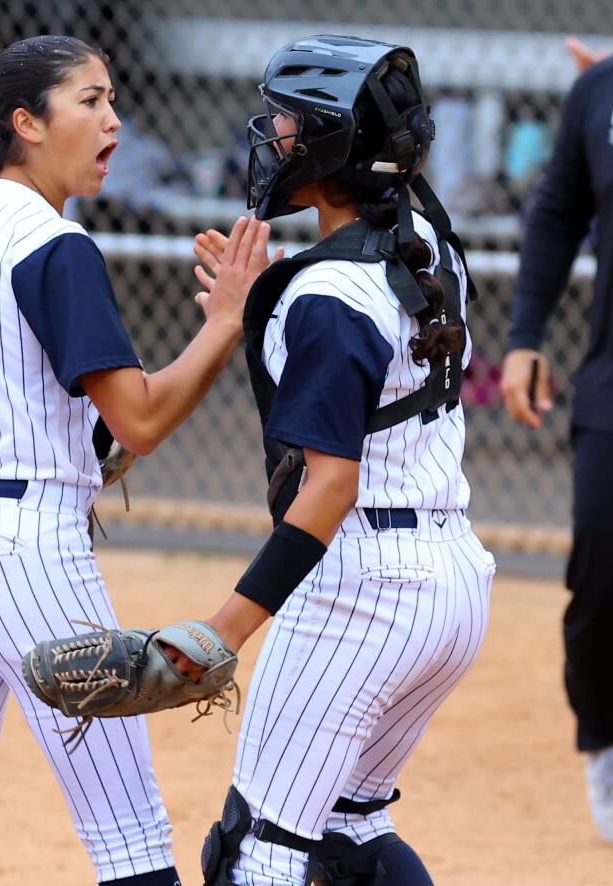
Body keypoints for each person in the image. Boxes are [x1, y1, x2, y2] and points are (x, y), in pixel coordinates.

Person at [0, 35, 272, 886]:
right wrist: (225, 321)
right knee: (132, 834)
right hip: (21, 551)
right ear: (26, 124)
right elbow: (140, 422)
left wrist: (10, 451)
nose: (113, 120)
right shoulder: (54, 245)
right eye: (90, 101)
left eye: (112, 100)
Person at [185, 36, 494, 885]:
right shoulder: (429, 237)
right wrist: (253, 313)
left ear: (327, 145)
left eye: (288, 121)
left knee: (260, 850)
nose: (273, 134)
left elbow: (327, 487)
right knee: (349, 832)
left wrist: (223, 634)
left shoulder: (326, 296)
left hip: (365, 591)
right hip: (452, 583)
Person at [500, 43, 613, 844]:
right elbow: (556, 216)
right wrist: (526, 335)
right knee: (603, 585)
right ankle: (607, 744)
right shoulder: (598, 94)